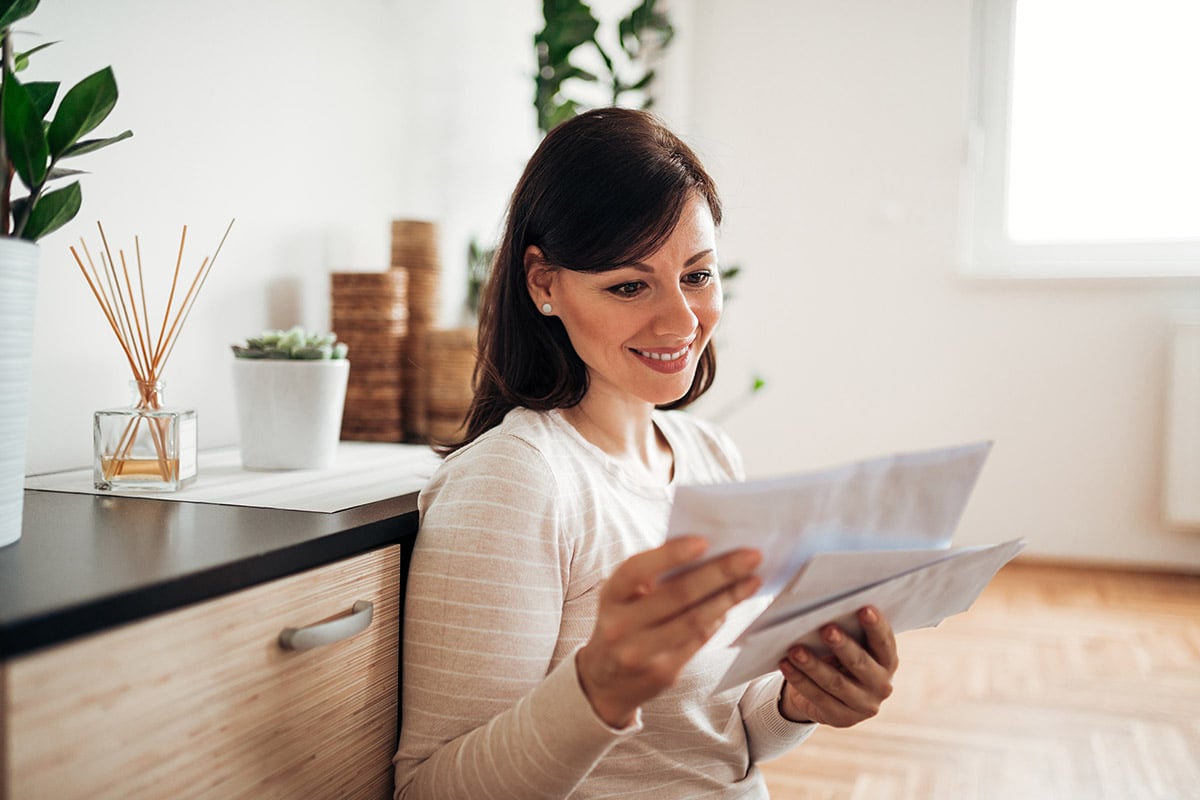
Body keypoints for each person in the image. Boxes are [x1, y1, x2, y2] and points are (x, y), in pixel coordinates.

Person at [392, 107, 898, 799]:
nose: (683, 321)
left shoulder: (710, 455)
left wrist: (796, 702)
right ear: (544, 284)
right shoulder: (515, 481)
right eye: (630, 285)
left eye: (697, 275)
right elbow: (429, 789)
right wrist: (596, 691)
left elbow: (723, 734)